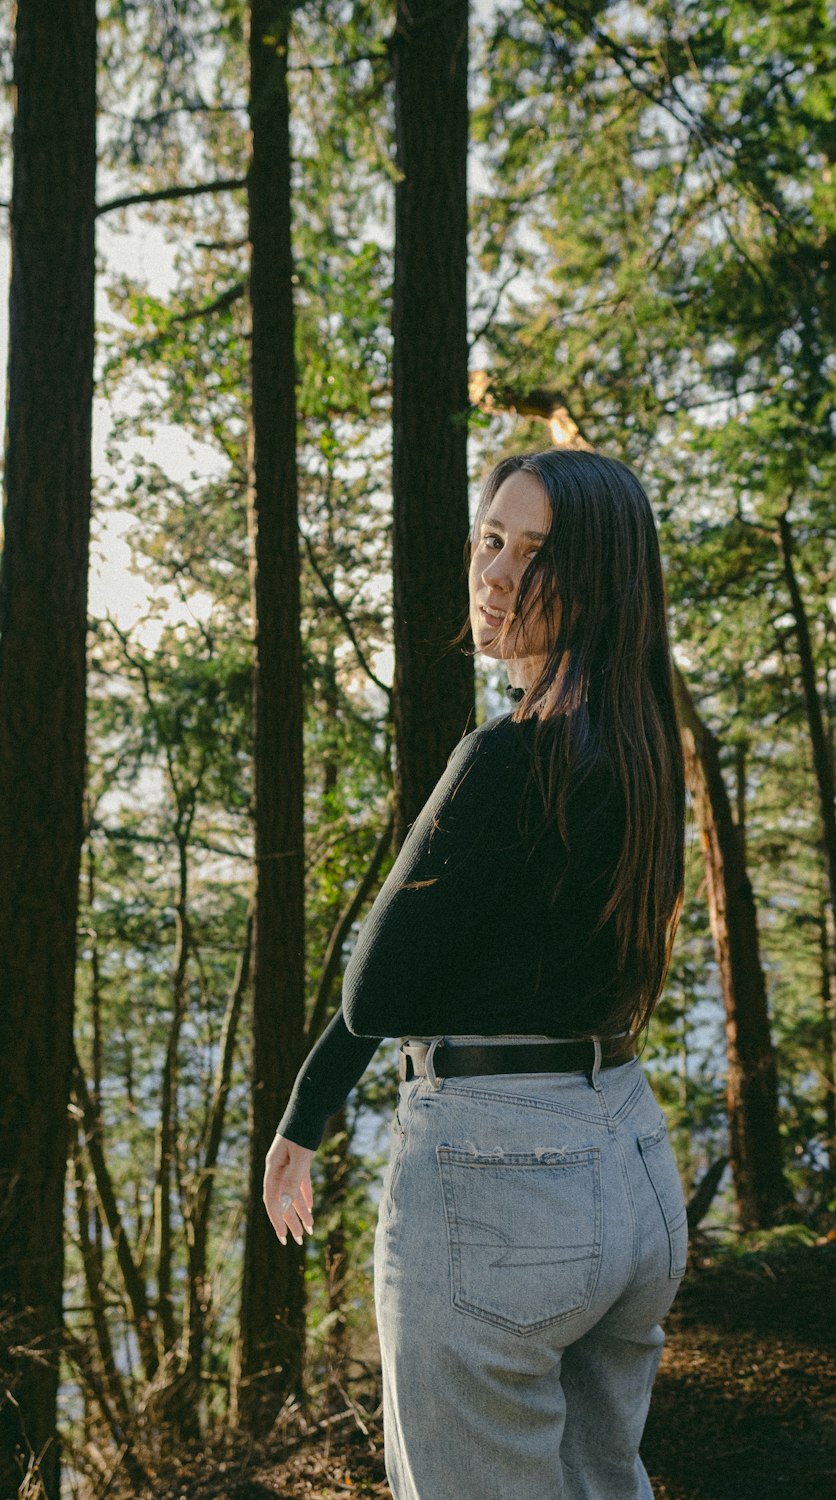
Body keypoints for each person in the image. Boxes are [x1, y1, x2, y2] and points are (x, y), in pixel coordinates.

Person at [263, 448, 688, 1500]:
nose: (495, 575)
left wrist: (307, 1109)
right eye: (489, 540)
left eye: (535, 553)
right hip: (628, 1159)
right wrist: (306, 1114)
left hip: (500, 1185)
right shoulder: (639, 743)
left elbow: (375, 989)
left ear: (599, 582)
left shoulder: (504, 758)